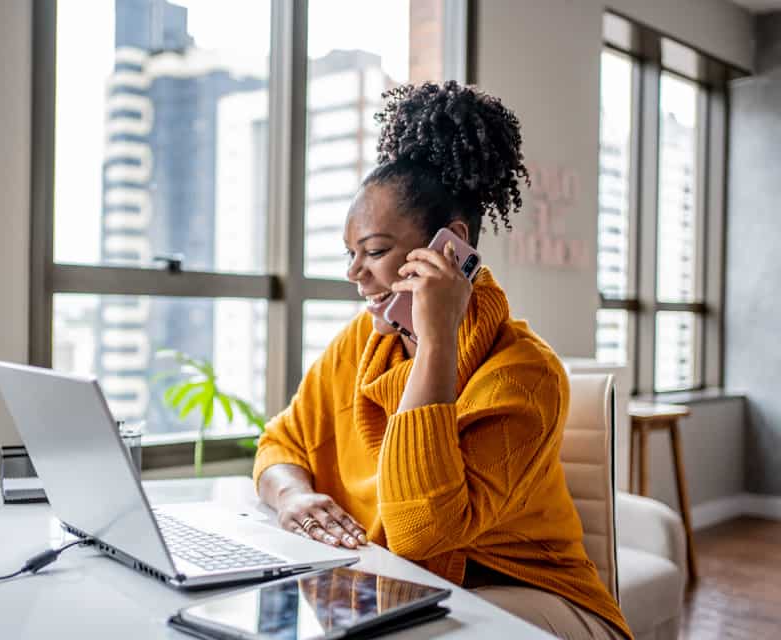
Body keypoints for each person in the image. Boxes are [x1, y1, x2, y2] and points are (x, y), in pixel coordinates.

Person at [253, 81, 632, 640]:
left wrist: (435, 342)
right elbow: (280, 444)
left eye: (376, 251)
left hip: (528, 593)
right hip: (396, 581)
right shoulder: (360, 343)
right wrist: (295, 495)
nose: (355, 273)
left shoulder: (525, 375)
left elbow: (420, 530)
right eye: (351, 255)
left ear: (449, 246)